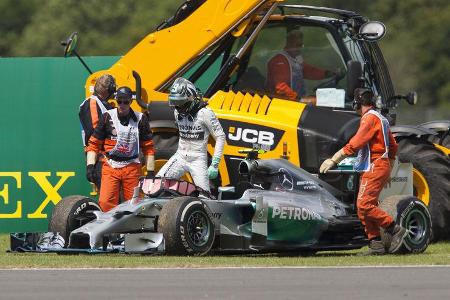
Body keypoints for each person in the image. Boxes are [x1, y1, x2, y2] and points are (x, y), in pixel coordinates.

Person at [319, 88, 407, 255]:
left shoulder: (369, 119)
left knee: (364, 205)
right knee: (364, 207)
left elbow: (356, 143)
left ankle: (394, 228)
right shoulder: (381, 118)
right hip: (380, 165)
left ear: (356, 103)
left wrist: (334, 159)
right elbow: (393, 147)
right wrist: (388, 169)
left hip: (375, 166)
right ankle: (376, 244)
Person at [86, 86, 155, 212]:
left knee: (135, 205)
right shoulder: (107, 117)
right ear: (116, 100)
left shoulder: (141, 119)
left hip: (132, 166)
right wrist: (90, 166)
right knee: (106, 203)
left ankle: (135, 230)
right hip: (111, 165)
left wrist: (150, 172)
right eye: (119, 101)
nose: (122, 105)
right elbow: (94, 144)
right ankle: (107, 230)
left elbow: (148, 148)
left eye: (126, 102)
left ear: (131, 102)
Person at [157, 77, 225, 195]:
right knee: (157, 185)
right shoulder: (176, 112)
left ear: (191, 98)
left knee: (205, 196)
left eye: (180, 103)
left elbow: (220, 136)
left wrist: (215, 164)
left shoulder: (205, 113)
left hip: (198, 159)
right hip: (180, 156)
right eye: (175, 103)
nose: (178, 107)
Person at [266, 29, 339, 100]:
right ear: (289, 43)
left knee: (332, 98)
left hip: (298, 97)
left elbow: (307, 71)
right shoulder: (279, 61)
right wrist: (300, 99)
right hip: (285, 102)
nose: (300, 48)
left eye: (301, 45)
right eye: (298, 45)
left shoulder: (298, 57)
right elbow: (281, 87)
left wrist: (328, 74)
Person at [79, 74, 116, 188]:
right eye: (112, 89)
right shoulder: (92, 102)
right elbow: (95, 131)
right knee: (108, 199)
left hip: (109, 157)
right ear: (106, 90)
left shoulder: (105, 104)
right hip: (100, 158)